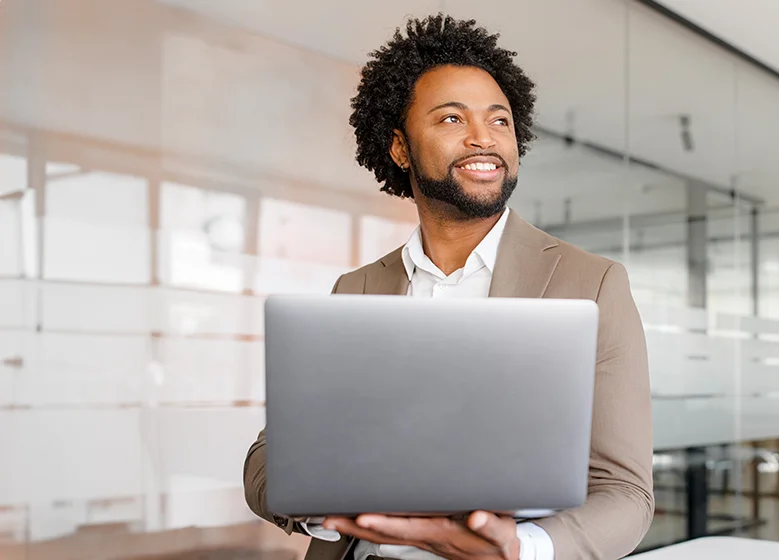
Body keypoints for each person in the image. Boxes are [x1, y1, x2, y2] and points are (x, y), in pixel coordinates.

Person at [242, 14, 654, 560]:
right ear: (400, 149)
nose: (483, 138)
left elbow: (625, 491)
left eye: (500, 120)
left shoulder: (592, 283)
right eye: (451, 118)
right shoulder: (358, 289)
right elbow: (270, 459)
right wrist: (330, 505)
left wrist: (518, 550)